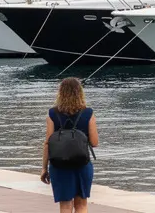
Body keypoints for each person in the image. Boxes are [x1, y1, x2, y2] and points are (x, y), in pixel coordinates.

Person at [41, 77, 99, 213]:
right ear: (80, 93)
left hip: (59, 165)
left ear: (60, 93)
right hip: (81, 164)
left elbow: (47, 144)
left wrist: (44, 168)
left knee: (65, 206)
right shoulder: (88, 113)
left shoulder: (52, 114)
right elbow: (95, 143)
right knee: (82, 205)